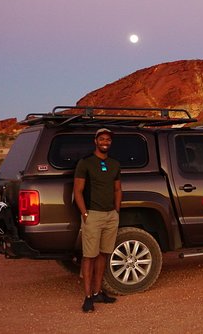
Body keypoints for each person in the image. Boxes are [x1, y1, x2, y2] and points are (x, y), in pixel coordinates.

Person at [73, 128, 122, 312]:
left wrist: (116, 210)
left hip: (110, 215)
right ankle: (87, 297)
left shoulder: (114, 164)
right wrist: (85, 214)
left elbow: (117, 189)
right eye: (102, 139)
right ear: (95, 141)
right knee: (89, 256)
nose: (105, 142)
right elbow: (77, 191)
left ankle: (97, 292)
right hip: (92, 215)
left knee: (103, 254)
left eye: (108, 139)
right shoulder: (85, 163)